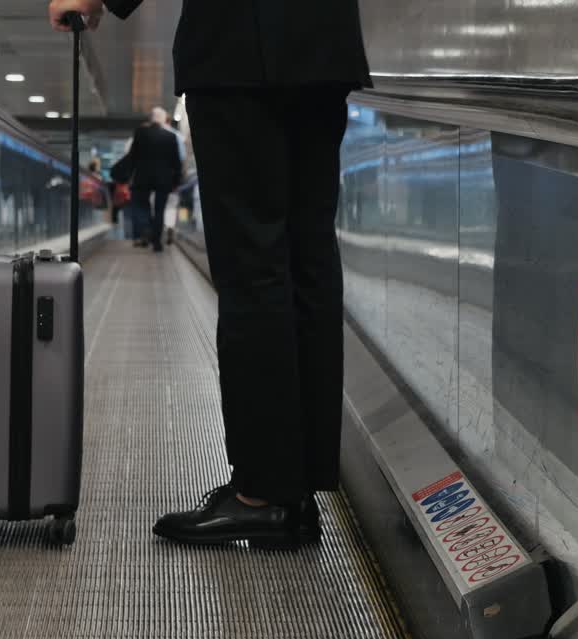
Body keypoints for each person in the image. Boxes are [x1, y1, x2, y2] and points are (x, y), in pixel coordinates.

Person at [49, 0, 371, 547]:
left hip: (241, 48)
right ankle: (299, 490)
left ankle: (262, 493)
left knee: (254, 264)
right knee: (307, 257)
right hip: (323, 42)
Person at [126, 107, 183, 252]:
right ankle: (157, 242)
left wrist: (129, 175)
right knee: (160, 210)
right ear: (164, 119)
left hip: (142, 178)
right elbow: (176, 162)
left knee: (141, 205)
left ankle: (146, 228)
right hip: (163, 180)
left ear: (151, 118)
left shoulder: (140, 133)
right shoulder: (171, 137)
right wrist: (176, 181)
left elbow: (133, 156)